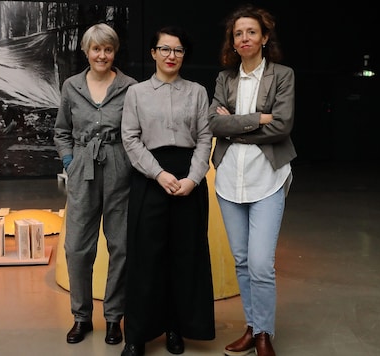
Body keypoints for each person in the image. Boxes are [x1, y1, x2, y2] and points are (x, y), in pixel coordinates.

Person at [120, 25, 215, 356]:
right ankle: (137, 335)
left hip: (189, 176)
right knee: (146, 258)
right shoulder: (137, 93)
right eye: (165, 49)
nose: (171, 55)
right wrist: (158, 173)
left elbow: (205, 138)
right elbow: (130, 138)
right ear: (153, 53)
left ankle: (177, 328)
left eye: (177, 50)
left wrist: (193, 178)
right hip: (150, 177)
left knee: (184, 256)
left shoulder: (198, 92)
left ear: (183, 55)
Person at [208, 4, 296, 356]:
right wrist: (258, 118)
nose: (244, 38)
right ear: (233, 40)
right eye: (238, 33)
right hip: (229, 180)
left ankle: (265, 335)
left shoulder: (283, 75)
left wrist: (237, 125)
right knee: (242, 261)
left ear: (264, 37)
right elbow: (214, 124)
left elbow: (282, 126)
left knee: (261, 263)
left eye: (251, 32)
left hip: (268, 179)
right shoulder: (224, 79)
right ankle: (252, 327)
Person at [53, 23, 137, 346]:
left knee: (122, 247)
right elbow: (62, 131)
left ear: (114, 53)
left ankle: (115, 318)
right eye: (96, 49)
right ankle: (81, 317)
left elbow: (138, 130)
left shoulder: (130, 87)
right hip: (83, 167)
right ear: (86, 51)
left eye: (108, 49)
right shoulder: (71, 86)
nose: (102, 55)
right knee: (77, 248)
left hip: (119, 167)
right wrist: (70, 162)